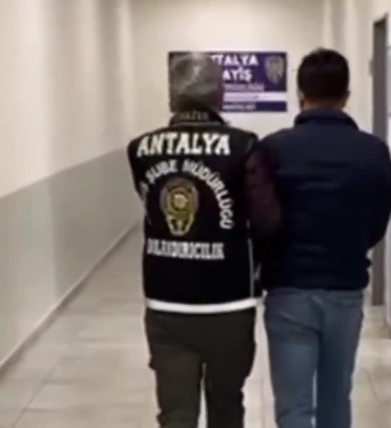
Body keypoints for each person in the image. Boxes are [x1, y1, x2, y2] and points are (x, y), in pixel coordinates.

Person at [126, 52, 281, 428]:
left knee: (176, 413)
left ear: (172, 97)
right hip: (228, 300)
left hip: (165, 299)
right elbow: (268, 222)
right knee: (226, 405)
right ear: (220, 95)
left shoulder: (140, 149)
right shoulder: (243, 146)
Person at [259, 48, 391, 428]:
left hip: (289, 288)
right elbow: (379, 219)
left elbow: (261, 218)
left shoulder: (274, 149)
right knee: (337, 398)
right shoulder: (373, 152)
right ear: (346, 96)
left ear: (300, 94)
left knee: (294, 406)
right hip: (345, 287)